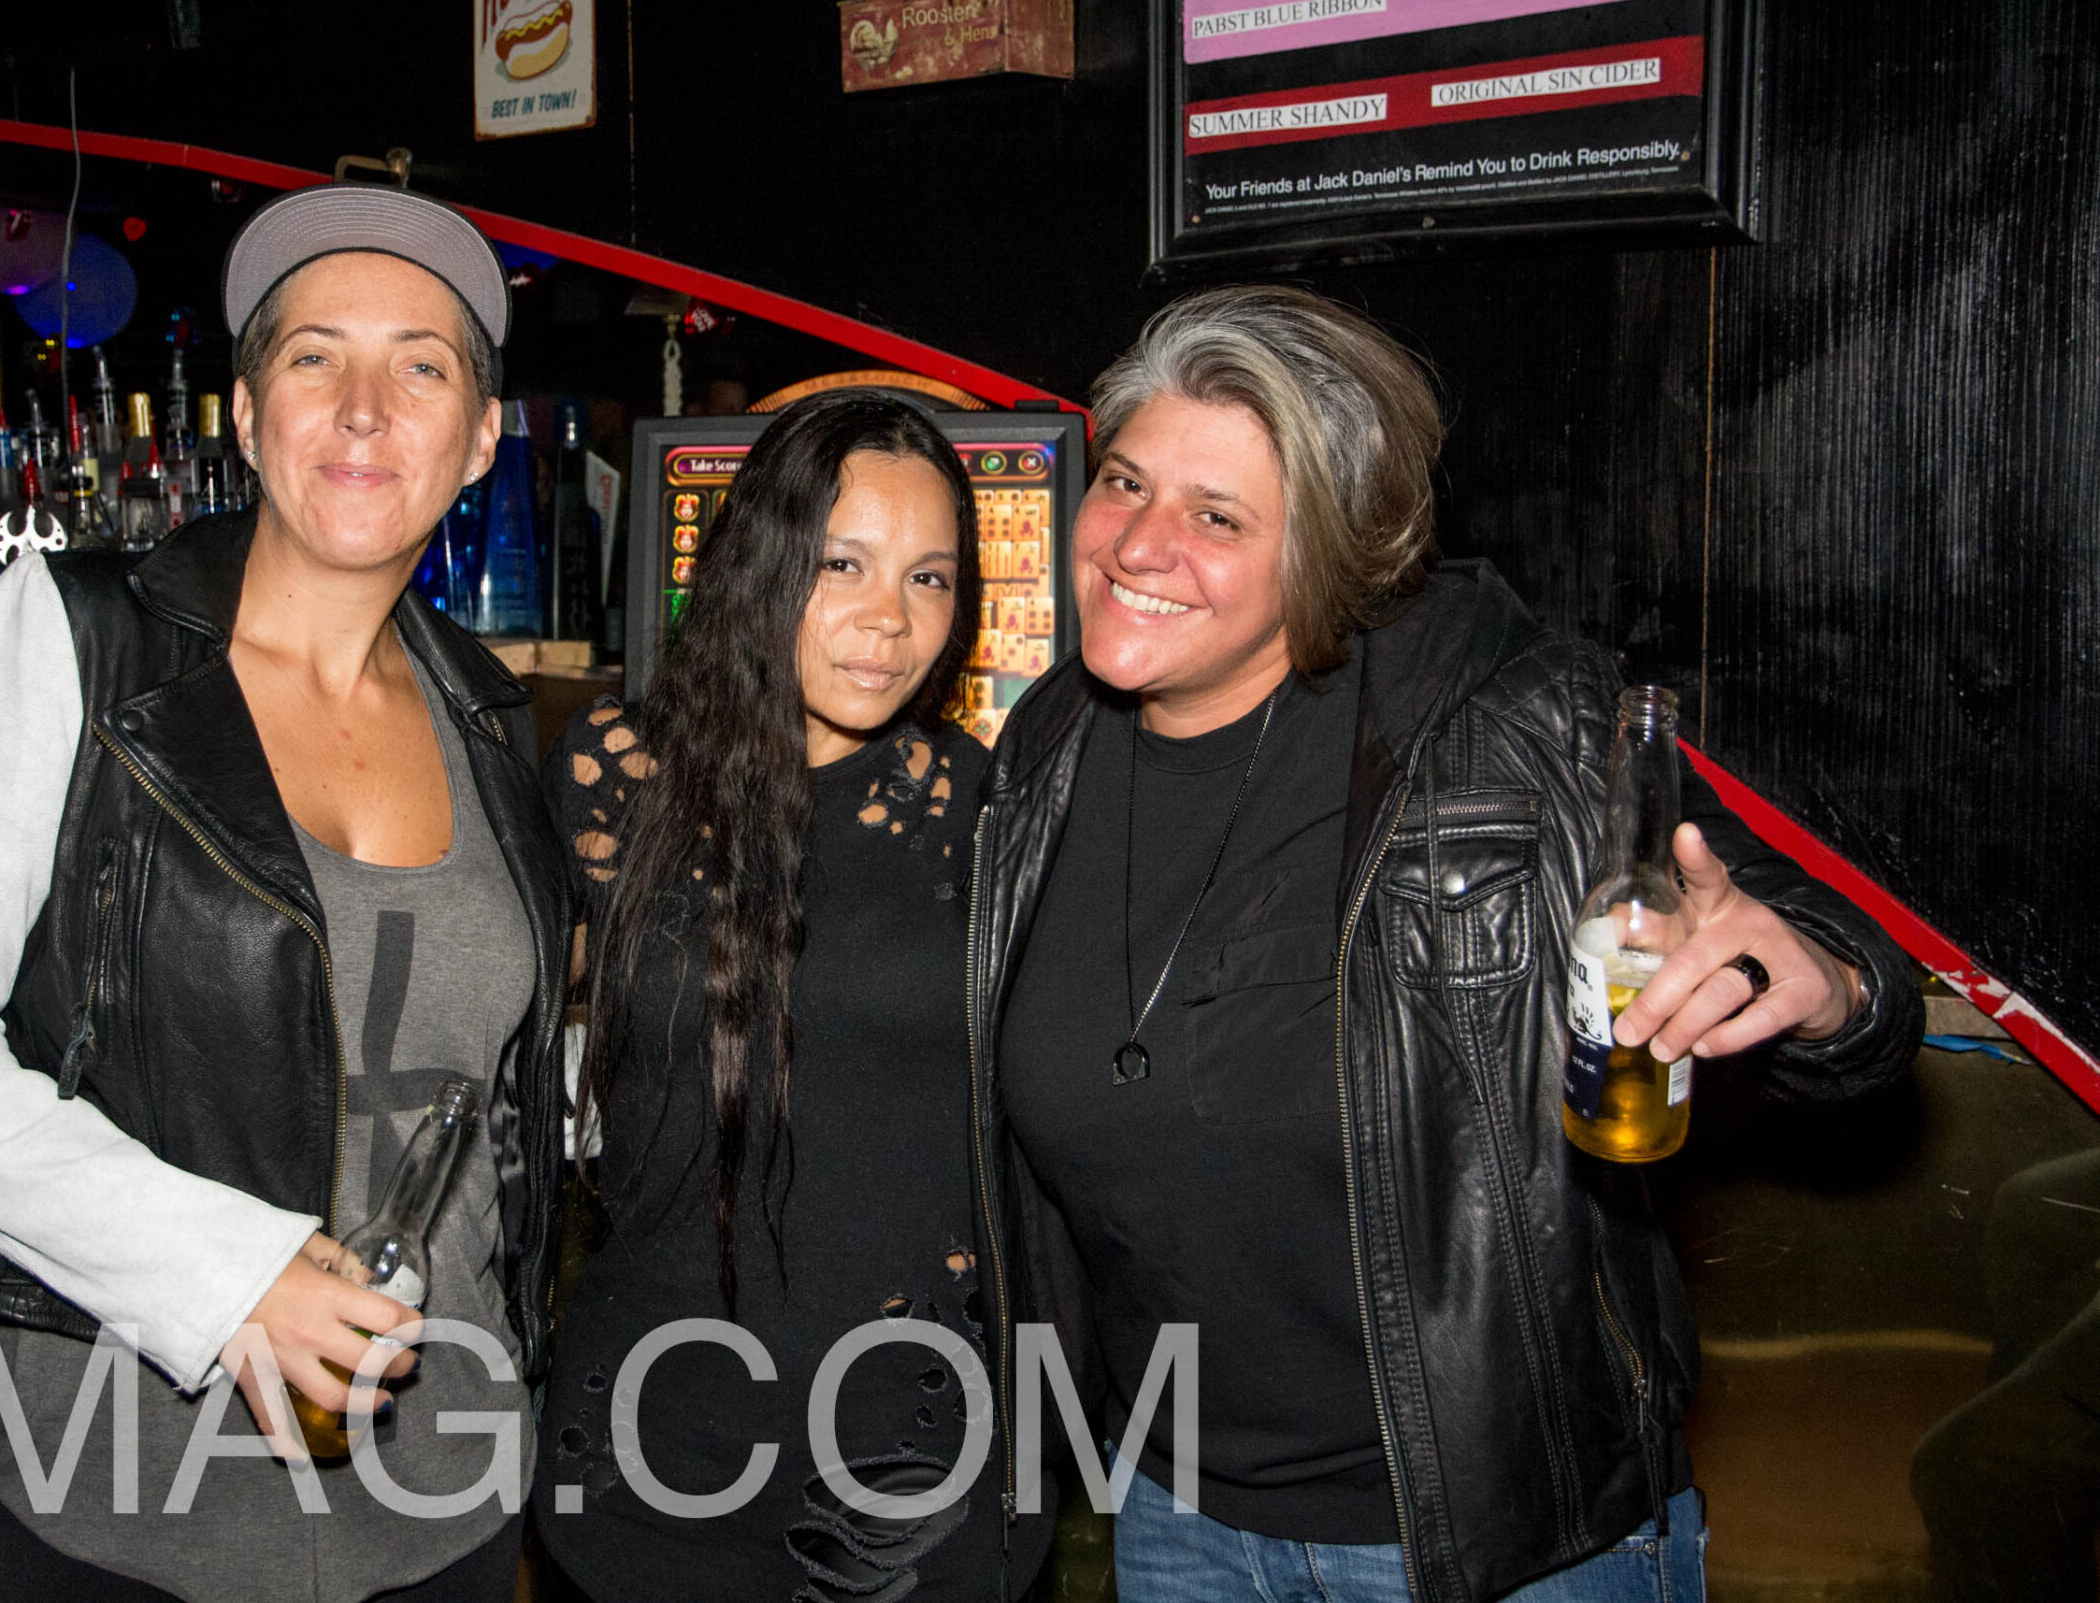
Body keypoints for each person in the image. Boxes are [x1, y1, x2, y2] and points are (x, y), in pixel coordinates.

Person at [968, 286, 1923, 1603]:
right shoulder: (1046, 748)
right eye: (1126, 481)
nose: (1138, 543)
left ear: (1329, 553)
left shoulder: (1511, 731)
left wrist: (1821, 988)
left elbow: (1851, 988)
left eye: (1218, 516)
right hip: (1176, 1516)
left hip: (1498, 1542)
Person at [0, 184, 572, 1603]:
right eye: (313, 356)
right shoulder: (78, 640)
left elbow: (494, 1082)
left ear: (481, 438)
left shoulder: (487, 714)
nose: (364, 409)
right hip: (127, 1493)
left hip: (448, 1488)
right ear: (245, 412)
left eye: (421, 365)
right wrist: (228, 1272)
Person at [530, 391, 1046, 1601]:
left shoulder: (985, 810)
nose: (888, 617)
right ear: (760, 560)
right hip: (649, 1438)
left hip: (910, 1458)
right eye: (841, 562)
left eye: (928, 577)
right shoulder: (614, 770)